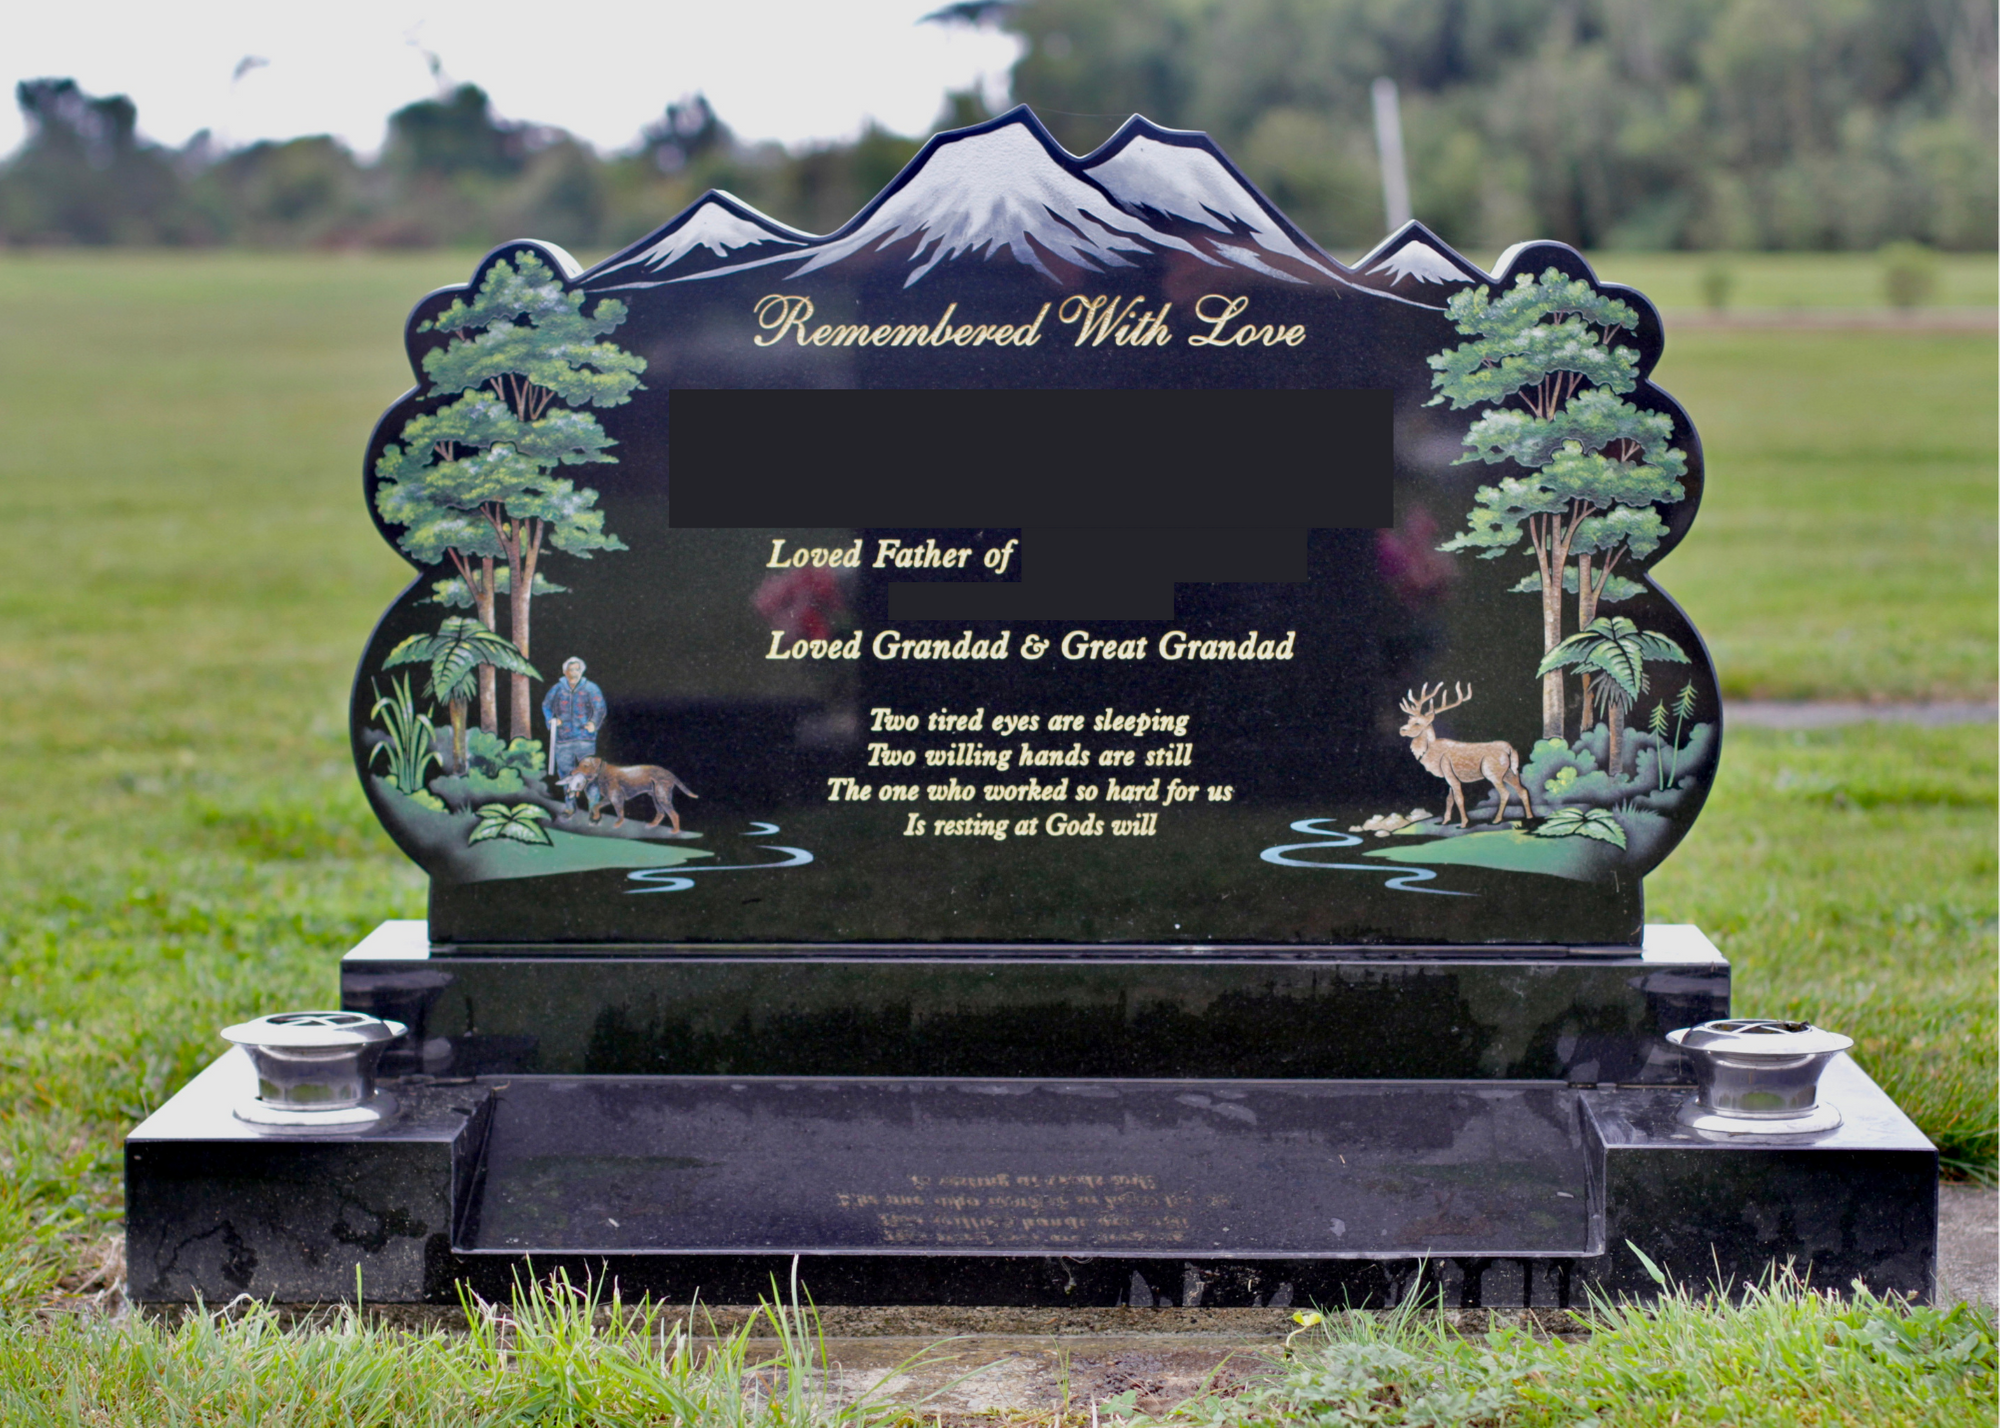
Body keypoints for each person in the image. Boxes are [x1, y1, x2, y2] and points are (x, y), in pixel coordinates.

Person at [542, 657, 607, 814]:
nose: (573, 673)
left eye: (577, 669)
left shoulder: (591, 688)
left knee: (589, 774)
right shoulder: (557, 688)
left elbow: (600, 707)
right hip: (562, 740)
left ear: (581, 671)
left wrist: (593, 723)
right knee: (566, 774)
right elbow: (546, 705)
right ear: (565, 672)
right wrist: (551, 720)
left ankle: (593, 807)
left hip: (585, 739)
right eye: (570, 670)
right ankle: (570, 806)